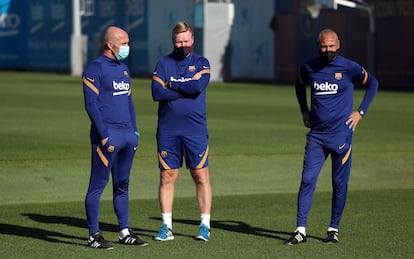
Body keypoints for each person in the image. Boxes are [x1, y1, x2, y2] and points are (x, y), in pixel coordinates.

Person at [284, 28, 378, 245]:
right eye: (324, 47)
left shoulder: (349, 67)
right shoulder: (309, 67)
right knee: (307, 180)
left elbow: (373, 83)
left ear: (339, 45)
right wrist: (304, 110)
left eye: (331, 47)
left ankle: (333, 229)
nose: (328, 50)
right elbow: (299, 84)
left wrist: (360, 111)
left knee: (339, 184)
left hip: (341, 137)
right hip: (316, 137)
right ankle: (300, 230)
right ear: (318, 46)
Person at [82, 26, 148, 249]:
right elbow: (91, 104)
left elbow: (128, 102)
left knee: (123, 185)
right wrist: (102, 135)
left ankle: (125, 231)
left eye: (128, 42)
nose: (127, 47)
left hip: (127, 137)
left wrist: (135, 132)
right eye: (123, 42)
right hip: (108, 136)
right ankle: (94, 235)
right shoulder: (95, 68)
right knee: (97, 185)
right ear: (109, 44)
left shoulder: (124, 70)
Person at [151, 21, 212, 242]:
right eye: (178, 41)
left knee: (200, 174)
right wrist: (184, 87)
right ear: (173, 41)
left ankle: (205, 224)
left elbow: (197, 88)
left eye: (186, 41)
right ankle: (166, 227)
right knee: (167, 175)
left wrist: (173, 85)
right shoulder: (164, 62)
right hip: (168, 130)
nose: (182, 45)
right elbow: (156, 93)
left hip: (195, 129)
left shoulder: (201, 62)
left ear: (192, 40)